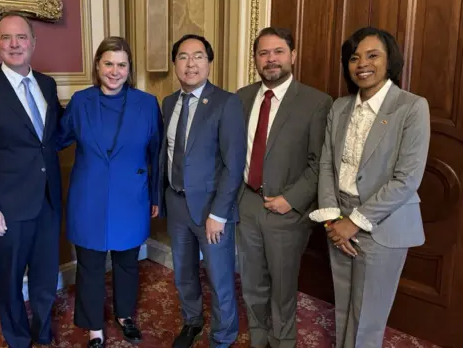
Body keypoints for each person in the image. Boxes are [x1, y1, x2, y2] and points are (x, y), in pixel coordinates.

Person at [309, 27, 430, 348]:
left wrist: (354, 223)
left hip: (383, 225)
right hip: (339, 221)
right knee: (345, 307)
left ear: (390, 61)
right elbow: (326, 164)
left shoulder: (411, 107)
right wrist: (333, 220)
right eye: (354, 58)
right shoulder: (340, 107)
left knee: (369, 317)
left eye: (372, 55)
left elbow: (407, 178)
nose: (362, 63)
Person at [0, 12, 64, 348]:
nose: (15, 44)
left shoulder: (47, 84)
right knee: (9, 281)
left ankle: (43, 333)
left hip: (48, 201)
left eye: (21, 37)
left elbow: (51, 138)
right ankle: (18, 339)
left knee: (46, 278)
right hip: (7, 208)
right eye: (6, 38)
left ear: (34, 42)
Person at [58, 36, 162, 348]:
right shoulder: (80, 101)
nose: (114, 71)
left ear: (129, 69)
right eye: (108, 63)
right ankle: (94, 329)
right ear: (97, 66)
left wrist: (155, 196)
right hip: (88, 198)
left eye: (121, 65)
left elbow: (156, 154)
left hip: (132, 198)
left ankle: (125, 315)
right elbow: (57, 138)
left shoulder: (146, 103)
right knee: (89, 265)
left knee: (127, 261)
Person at [235, 27, 333, 348]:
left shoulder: (316, 102)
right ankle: (259, 338)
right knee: (252, 282)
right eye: (263, 53)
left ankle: (283, 341)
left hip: (287, 210)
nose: (271, 59)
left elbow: (320, 162)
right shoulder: (242, 97)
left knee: (282, 288)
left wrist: (290, 200)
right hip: (247, 204)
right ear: (255, 60)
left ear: (293, 55)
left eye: (278, 51)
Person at [158, 34, 246, 348]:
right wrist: (161, 198)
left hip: (212, 208)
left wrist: (219, 213)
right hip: (177, 202)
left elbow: (233, 164)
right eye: (183, 56)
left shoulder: (226, 102)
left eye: (198, 56)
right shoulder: (168, 103)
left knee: (219, 276)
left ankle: (223, 337)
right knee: (183, 272)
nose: (190, 64)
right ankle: (192, 321)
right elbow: (164, 156)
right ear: (175, 64)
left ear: (209, 62)